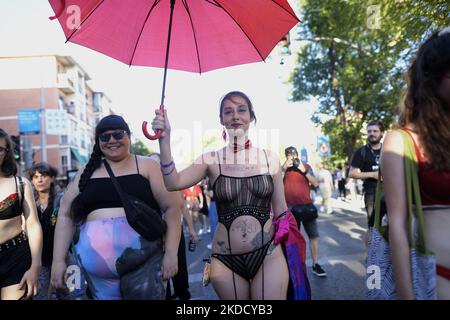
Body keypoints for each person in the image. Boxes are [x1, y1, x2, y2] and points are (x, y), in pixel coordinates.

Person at [151, 91, 290, 300]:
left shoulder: (270, 158)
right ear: (221, 120)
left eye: (241, 110)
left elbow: (281, 211)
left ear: (251, 117)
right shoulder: (211, 159)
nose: (235, 116)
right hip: (226, 260)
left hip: (268, 254)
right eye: (228, 112)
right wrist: (165, 139)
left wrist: (292, 249)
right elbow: (173, 182)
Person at [50, 115, 181, 300]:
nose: (112, 140)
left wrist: (171, 254)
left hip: (145, 263)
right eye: (105, 137)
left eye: (118, 134)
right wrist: (58, 261)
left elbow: (173, 208)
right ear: (98, 142)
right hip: (98, 276)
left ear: (129, 136)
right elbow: (65, 215)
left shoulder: (147, 165)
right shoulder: (86, 171)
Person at [381, 28, 450, 299]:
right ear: (433, 79)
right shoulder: (401, 140)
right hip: (438, 280)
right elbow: (397, 225)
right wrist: (407, 296)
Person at [0, 128, 43, 300]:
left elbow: (33, 225)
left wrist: (35, 267)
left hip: (15, 258)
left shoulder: (21, 184)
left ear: (7, 152)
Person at [282, 146, 326, 277]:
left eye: (294, 154)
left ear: (297, 155)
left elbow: (315, 183)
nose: (292, 157)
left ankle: (315, 264)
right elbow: (276, 182)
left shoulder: (306, 166)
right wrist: (284, 167)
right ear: (286, 157)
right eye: (289, 155)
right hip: (290, 209)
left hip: (307, 207)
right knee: (293, 239)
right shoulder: (283, 168)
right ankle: (295, 265)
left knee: (313, 236)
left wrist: (303, 170)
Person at [28, 163, 62, 299]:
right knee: (40, 296)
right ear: (32, 180)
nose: (40, 180)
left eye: (43, 176)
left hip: (62, 257)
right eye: (36, 177)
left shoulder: (62, 199)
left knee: (70, 294)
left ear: (52, 178)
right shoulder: (29, 202)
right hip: (39, 260)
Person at [349, 120, 384, 228]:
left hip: (391, 191)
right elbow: (352, 173)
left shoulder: (388, 149)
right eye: (369, 131)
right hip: (371, 193)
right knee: (373, 225)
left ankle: (391, 244)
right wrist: (373, 175)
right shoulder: (361, 152)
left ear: (381, 133)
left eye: (375, 131)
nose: (372, 133)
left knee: (393, 223)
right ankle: (374, 245)